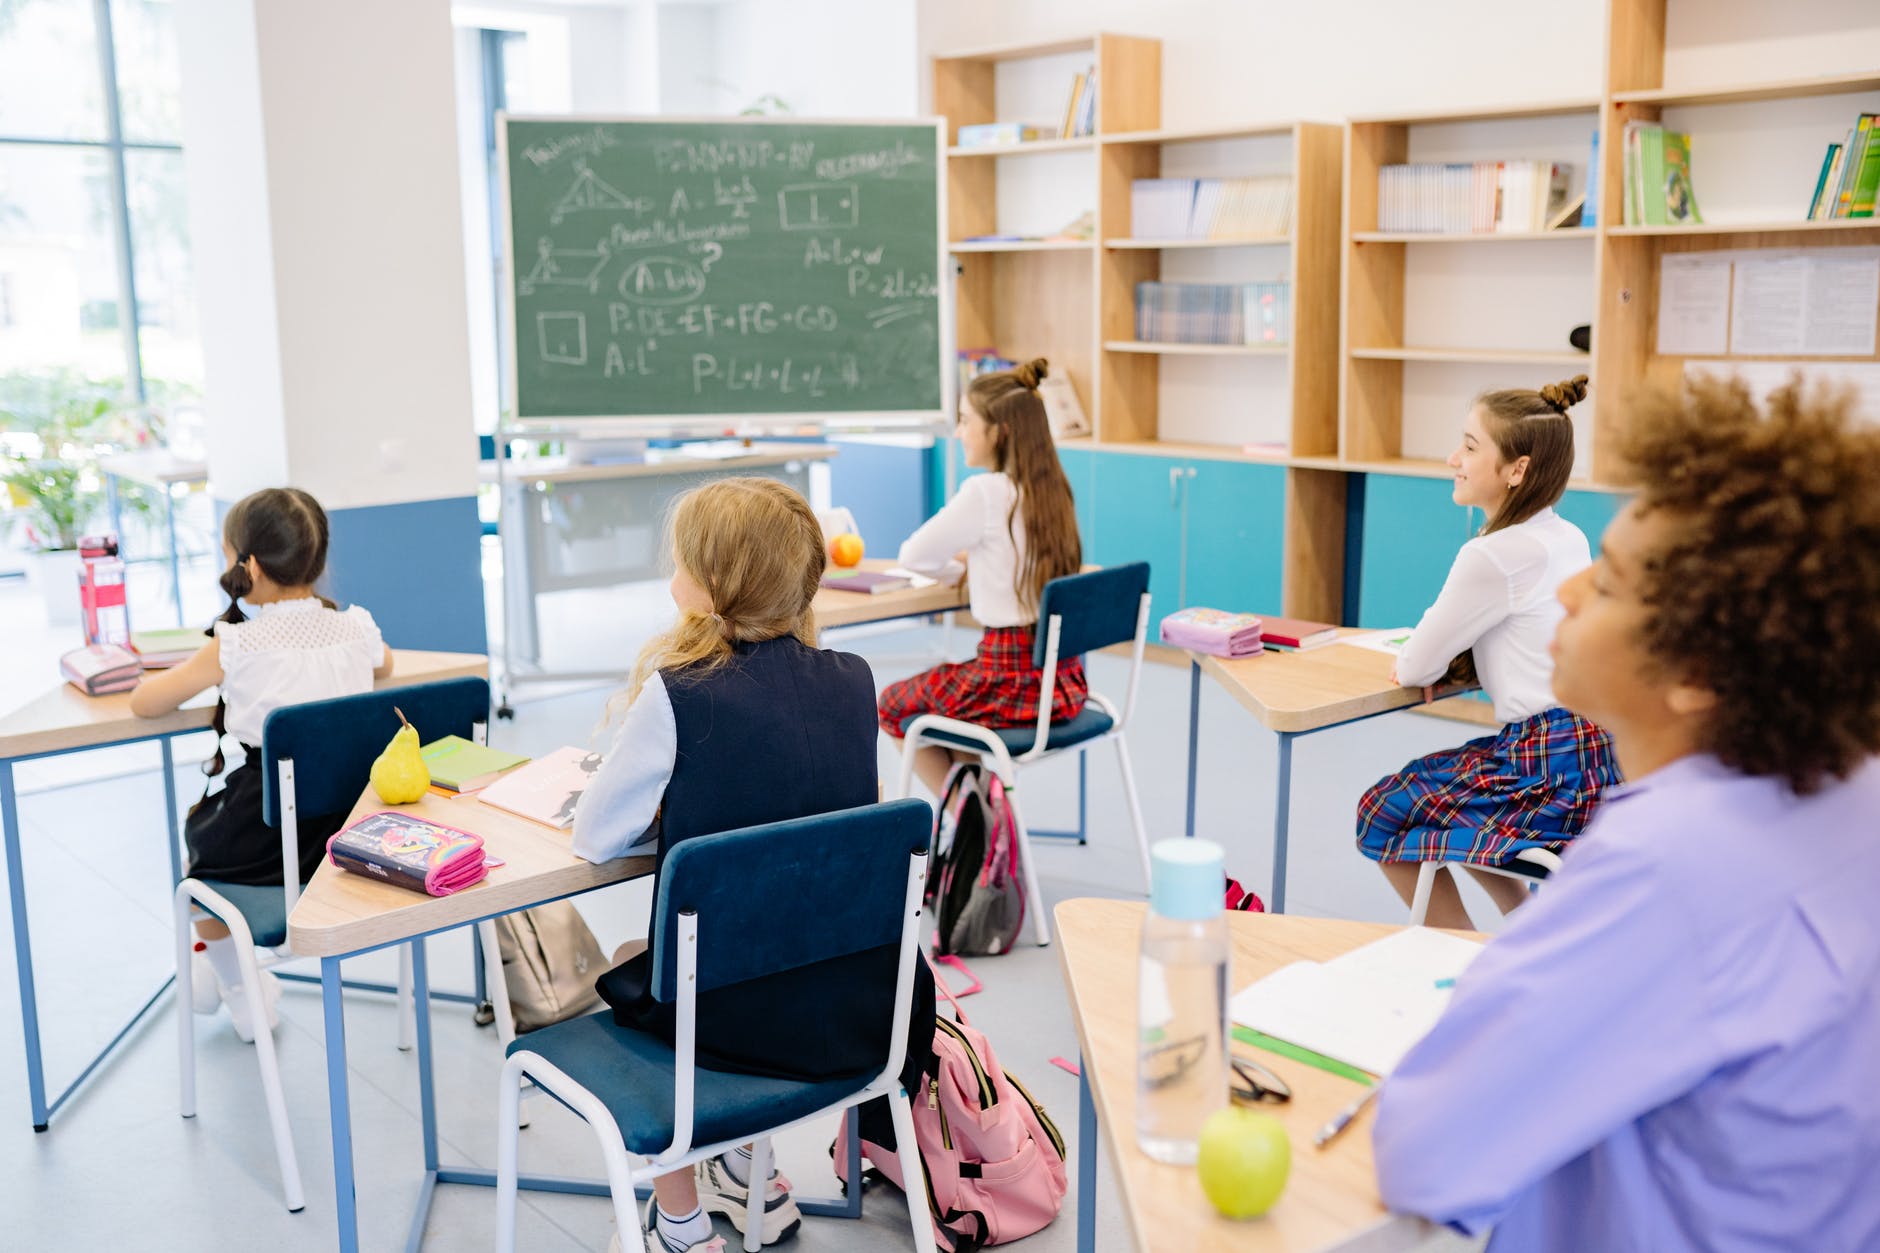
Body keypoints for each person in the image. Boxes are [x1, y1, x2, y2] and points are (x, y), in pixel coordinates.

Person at [1372, 375, 1880, 1250]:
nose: (1571, 595)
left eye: (1610, 587)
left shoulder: (1664, 860)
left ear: (1696, 676)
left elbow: (1424, 1151)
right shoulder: (1853, 785)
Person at [572, 477, 930, 1253]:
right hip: (858, 1008)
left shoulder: (677, 694)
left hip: (733, 1023)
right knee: (739, 949)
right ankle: (745, 1167)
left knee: (641, 964)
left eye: (680, 561)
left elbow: (596, 835)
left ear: (713, 586)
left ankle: (681, 1223)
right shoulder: (855, 680)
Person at [1355, 375, 1620, 929]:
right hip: (1599, 751)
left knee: (1382, 812)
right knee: (1457, 805)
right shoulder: (1565, 535)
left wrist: (1435, 655)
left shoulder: (1493, 554)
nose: (1454, 458)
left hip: (1545, 766)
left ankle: (1461, 954)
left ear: (1517, 471)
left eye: (1471, 448)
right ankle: (1520, 930)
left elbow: (1415, 665)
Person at [130, 487, 390, 1041]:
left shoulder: (234, 644)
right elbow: (384, 666)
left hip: (265, 829)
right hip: (346, 828)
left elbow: (144, 703)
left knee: (201, 867)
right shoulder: (356, 627)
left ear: (246, 566)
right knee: (217, 851)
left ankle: (241, 990)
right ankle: (220, 977)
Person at [879, 358, 1085, 795]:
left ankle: (978, 824)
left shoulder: (987, 492)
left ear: (1000, 431)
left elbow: (913, 556)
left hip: (1004, 679)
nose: (958, 432)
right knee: (948, 701)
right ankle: (984, 809)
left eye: (965, 420)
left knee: (892, 705)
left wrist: (957, 570)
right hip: (1060, 683)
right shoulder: (1053, 491)